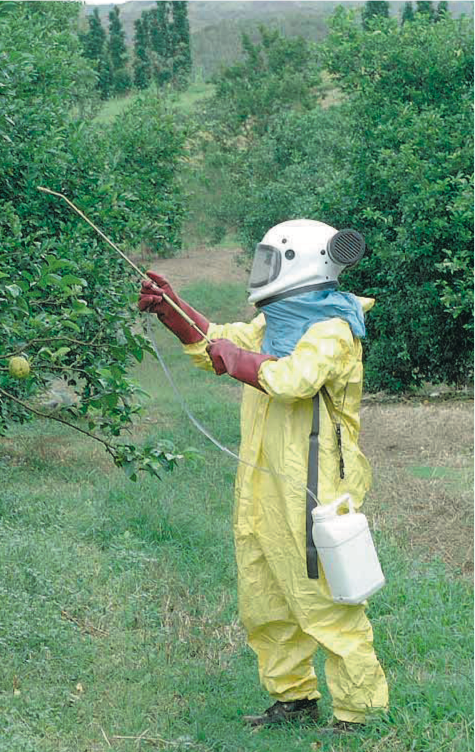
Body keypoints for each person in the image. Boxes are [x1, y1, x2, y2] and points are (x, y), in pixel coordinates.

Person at [138, 219, 388, 732]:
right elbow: (221, 341)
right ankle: (293, 698)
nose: (262, 272)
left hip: (313, 487)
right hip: (263, 483)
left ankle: (359, 713)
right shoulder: (278, 322)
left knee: (327, 599)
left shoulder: (333, 328)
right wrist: (172, 309)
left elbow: (292, 378)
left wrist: (234, 358)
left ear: (301, 262)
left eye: (270, 261)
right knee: (265, 595)